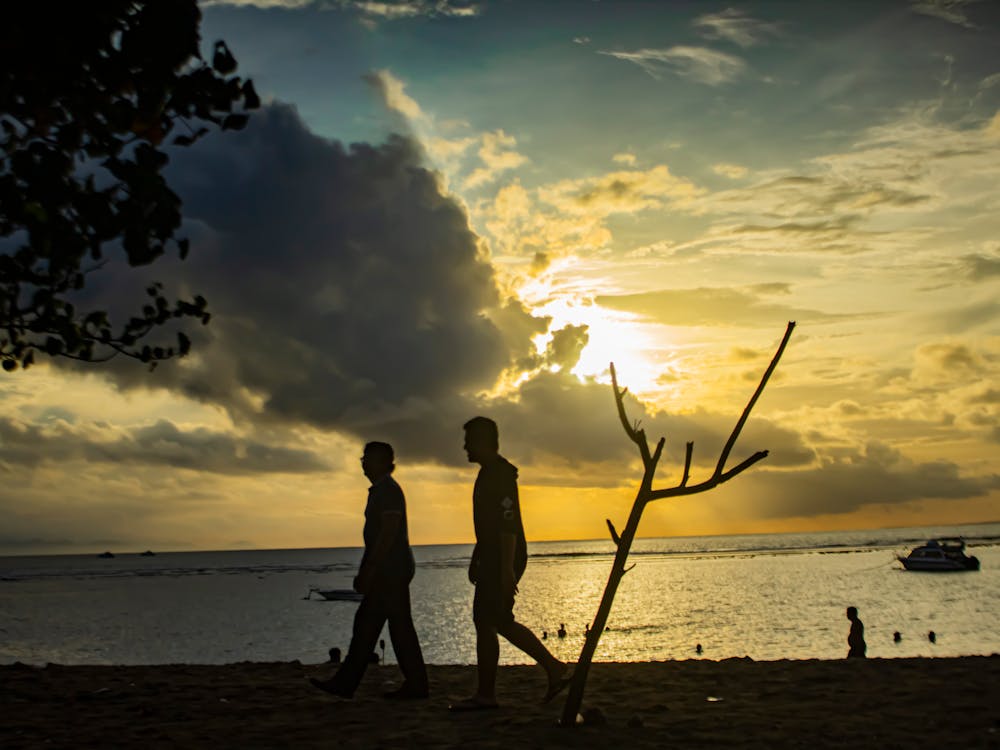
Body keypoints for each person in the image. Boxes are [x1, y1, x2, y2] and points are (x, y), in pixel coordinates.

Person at [449, 416, 568, 711]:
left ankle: (552, 668)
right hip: (492, 556)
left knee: (495, 619)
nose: (464, 446)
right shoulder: (488, 473)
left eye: (469, 440)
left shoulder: (500, 474)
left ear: (482, 441)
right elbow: (488, 524)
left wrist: (505, 570)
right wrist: (478, 556)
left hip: (505, 556)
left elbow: (508, 525)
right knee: (488, 620)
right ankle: (494, 690)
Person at [311, 442, 428, 700]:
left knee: (370, 624)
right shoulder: (380, 490)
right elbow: (375, 537)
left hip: (391, 570)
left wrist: (370, 570)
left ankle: (347, 683)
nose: (363, 462)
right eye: (363, 458)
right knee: (394, 628)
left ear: (384, 462)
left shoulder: (387, 490)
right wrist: (367, 567)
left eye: (368, 458)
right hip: (390, 569)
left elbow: (388, 532)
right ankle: (414, 684)